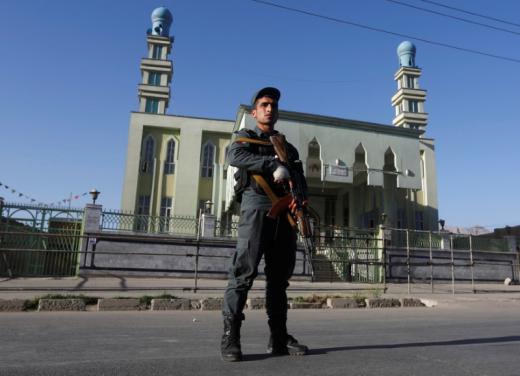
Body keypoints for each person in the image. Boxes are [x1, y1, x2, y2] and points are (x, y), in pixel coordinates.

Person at [220, 87, 309, 361]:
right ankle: (230, 337)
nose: (270, 109)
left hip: (284, 214)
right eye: (264, 104)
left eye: (273, 105)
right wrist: (270, 165)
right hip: (256, 208)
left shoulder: (287, 146)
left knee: (278, 281)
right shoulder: (246, 138)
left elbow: (301, 180)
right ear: (255, 111)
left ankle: (278, 338)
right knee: (243, 274)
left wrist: (299, 200)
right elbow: (233, 157)